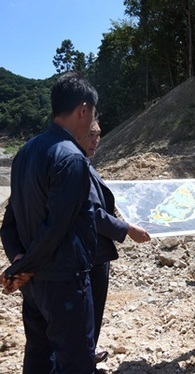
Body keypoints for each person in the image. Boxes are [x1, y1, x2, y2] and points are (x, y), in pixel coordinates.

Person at [0, 72, 99, 373]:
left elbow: (9, 221)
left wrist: (19, 260)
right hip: (63, 283)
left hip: (34, 286)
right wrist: (20, 267)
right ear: (83, 110)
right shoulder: (71, 158)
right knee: (76, 363)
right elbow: (55, 230)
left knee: (39, 358)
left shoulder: (26, 152)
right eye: (92, 113)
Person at [77, 120, 151, 364]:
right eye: (90, 134)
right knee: (83, 313)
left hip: (96, 252)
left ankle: (87, 355)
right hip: (86, 254)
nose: (96, 140)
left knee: (93, 310)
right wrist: (127, 228)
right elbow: (93, 213)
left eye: (98, 135)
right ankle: (82, 360)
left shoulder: (85, 163)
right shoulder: (73, 164)